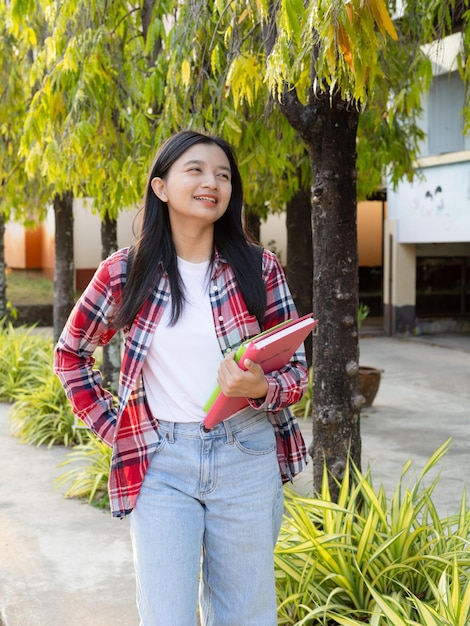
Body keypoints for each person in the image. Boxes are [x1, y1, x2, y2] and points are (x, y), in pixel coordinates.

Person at [54, 130, 309, 626]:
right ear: (160, 187)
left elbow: (296, 371)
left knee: (246, 616)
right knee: (165, 616)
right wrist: (118, 428)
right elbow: (71, 355)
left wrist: (261, 388)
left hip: (246, 457)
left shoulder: (259, 268)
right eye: (195, 170)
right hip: (161, 463)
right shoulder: (124, 272)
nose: (212, 182)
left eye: (223, 175)